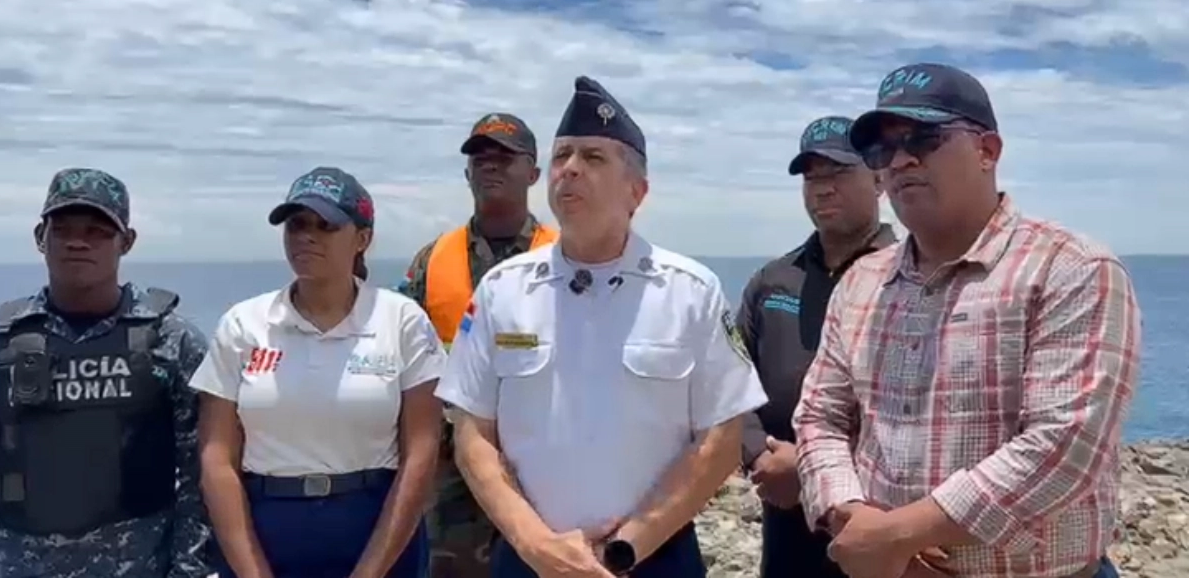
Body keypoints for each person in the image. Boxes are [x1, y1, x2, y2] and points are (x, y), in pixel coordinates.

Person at [792, 63, 1140, 578]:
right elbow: (820, 417)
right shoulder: (860, 283)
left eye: (924, 138)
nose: (901, 160)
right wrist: (853, 516)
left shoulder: (1073, 268)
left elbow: (1065, 445)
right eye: (883, 149)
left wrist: (899, 534)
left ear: (987, 151)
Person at [434, 76, 769, 578]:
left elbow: (722, 438)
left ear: (637, 191)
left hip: (653, 558)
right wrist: (537, 545)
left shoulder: (691, 292)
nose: (569, 168)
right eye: (562, 155)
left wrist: (625, 547)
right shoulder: (502, 291)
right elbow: (472, 434)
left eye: (593, 157)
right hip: (529, 559)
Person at [191, 167, 446, 578]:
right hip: (267, 528)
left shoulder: (402, 321)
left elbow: (422, 453)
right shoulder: (243, 324)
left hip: (376, 525)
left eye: (326, 225)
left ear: (362, 239)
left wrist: (369, 573)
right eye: (297, 224)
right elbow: (217, 458)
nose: (307, 237)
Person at [0, 167, 212, 578]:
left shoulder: (171, 342)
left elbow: (198, 473)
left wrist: (189, 569)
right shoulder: (1, 344)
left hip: (140, 565)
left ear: (126, 241)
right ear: (40, 237)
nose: (78, 242)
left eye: (97, 231)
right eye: (63, 230)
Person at [736, 115, 896, 578]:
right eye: (811, 177)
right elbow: (729, 378)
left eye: (839, 173)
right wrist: (760, 456)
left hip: (879, 518)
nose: (823, 189)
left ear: (879, 179)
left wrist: (809, 470)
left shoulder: (907, 277)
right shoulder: (773, 281)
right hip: (785, 514)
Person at [399, 112, 558, 578]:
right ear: (467, 173)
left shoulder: (567, 258)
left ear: (533, 173)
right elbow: (402, 356)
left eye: (505, 157)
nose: (490, 165)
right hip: (451, 475)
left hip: (546, 461)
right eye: (479, 158)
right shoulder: (432, 260)